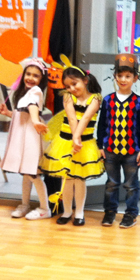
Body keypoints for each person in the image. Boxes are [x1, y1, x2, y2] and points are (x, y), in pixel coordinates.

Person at [39, 59, 104, 226]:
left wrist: (78, 139)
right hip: (66, 142)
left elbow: (86, 118)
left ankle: (79, 212)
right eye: (68, 86)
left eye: (74, 84)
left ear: (85, 80)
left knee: (79, 179)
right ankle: (67, 211)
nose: (71, 89)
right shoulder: (68, 97)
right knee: (67, 179)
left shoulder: (95, 98)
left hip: (85, 144)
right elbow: (72, 118)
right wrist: (74, 138)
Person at [97, 53, 140, 229]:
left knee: (131, 185)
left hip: (132, 151)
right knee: (111, 184)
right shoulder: (108, 100)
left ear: (135, 78)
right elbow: (102, 124)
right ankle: (110, 212)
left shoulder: (139, 102)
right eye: (120, 76)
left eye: (128, 76)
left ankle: (131, 214)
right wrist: (100, 145)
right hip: (110, 150)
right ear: (115, 76)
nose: (124, 79)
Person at [0, 58, 50, 220]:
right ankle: (25, 204)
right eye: (28, 74)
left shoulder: (35, 92)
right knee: (26, 173)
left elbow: (33, 107)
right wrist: (8, 113)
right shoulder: (25, 93)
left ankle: (45, 208)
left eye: (36, 76)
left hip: (30, 138)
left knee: (32, 173)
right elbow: (22, 114)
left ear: (41, 80)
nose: (30, 78)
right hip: (23, 137)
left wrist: (35, 120)